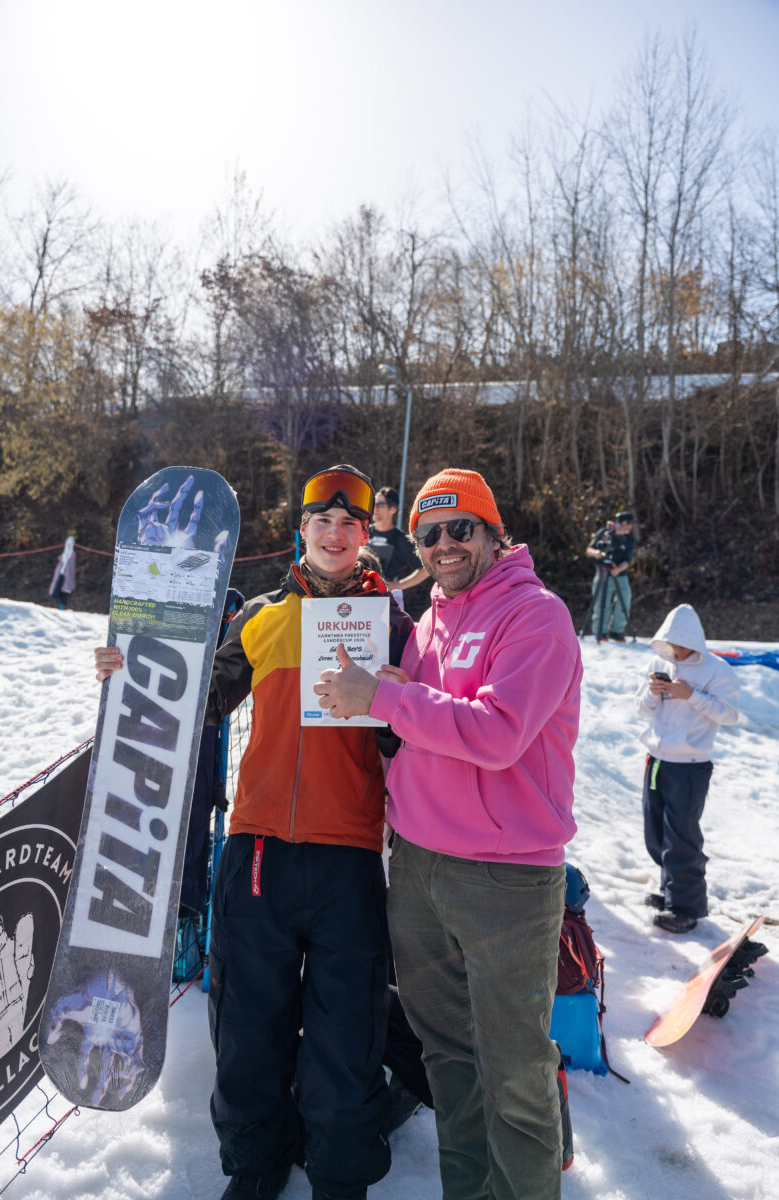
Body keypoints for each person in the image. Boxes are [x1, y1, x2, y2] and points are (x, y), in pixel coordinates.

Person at [94, 464, 414, 1200]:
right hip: (259, 849)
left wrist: (399, 705)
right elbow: (197, 702)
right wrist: (129, 673)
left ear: (365, 536)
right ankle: (256, 1163)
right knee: (248, 1025)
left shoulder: (395, 627)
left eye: (350, 524)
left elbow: (415, 743)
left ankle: (339, 1176)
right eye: (323, 522)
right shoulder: (264, 616)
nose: (336, 535)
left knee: (345, 1034)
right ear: (302, 530)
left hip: (348, 855)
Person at [314, 467, 583, 1200]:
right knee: (448, 1059)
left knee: (515, 1070)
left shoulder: (536, 615)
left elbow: (498, 733)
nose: (443, 545)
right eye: (428, 534)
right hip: (419, 864)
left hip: (505, 877)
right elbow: (415, 725)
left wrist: (388, 698)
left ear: (493, 533)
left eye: (460, 528)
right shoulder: (429, 621)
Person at [635, 603, 739, 934]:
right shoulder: (658, 663)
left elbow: (729, 714)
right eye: (671, 644)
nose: (676, 651)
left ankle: (686, 907)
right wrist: (653, 692)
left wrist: (691, 695)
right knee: (656, 833)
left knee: (681, 836)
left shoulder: (717, 669)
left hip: (690, 766)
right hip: (656, 759)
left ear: (695, 641)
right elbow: (642, 710)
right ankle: (671, 891)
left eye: (682, 645)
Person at [368, 486, 429, 616]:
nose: (375, 508)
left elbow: (426, 568)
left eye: (380, 504)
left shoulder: (401, 539)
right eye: (374, 504)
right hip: (355, 597)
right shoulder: (363, 532)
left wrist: (400, 585)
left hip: (382, 604)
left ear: (393, 509)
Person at [585, 511, 635, 640]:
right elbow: (589, 550)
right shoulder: (604, 533)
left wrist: (618, 569)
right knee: (601, 604)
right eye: (628, 523)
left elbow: (627, 561)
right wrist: (597, 553)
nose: (631, 526)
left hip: (620, 575)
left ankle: (616, 631)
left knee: (624, 602)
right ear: (622, 523)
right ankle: (600, 632)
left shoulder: (629, 539)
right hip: (603, 573)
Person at [49, 534, 76, 610]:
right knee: (57, 591)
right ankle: (58, 608)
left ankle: (61, 608)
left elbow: (71, 565)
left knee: (64, 594)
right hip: (61, 575)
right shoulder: (63, 556)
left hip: (66, 577)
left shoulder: (72, 556)